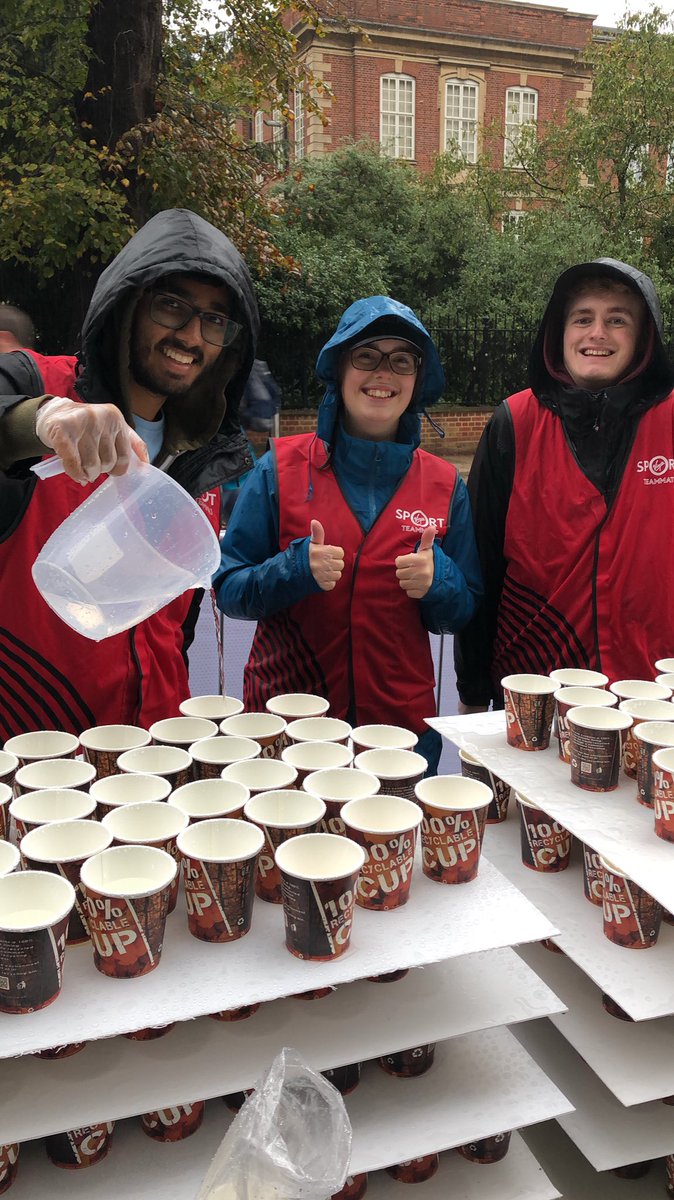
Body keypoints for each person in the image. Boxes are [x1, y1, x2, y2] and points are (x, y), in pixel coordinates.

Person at [0, 208, 259, 738]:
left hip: (150, 764)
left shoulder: (202, 459)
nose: (192, 335)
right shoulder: (37, 381)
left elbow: (173, 627)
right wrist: (45, 419)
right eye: (172, 306)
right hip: (34, 760)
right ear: (127, 307)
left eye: (214, 319)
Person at [215, 295, 482, 773]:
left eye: (402, 360)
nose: (383, 373)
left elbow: (463, 612)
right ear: (339, 368)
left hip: (400, 733)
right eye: (366, 356)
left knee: (395, 849)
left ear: (418, 379)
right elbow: (229, 589)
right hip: (290, 726)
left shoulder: (445, 484)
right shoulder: (278, 468)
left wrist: (438, 580)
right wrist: (294, 569)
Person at [455, 257, 674, 712]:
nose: (598, 333)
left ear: (644, 336)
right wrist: (473, 691)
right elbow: (480, 562)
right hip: (536, 685)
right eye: (583, 318)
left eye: (617, 319)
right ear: (560, 333)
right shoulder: (514, 422)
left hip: (653, 692)